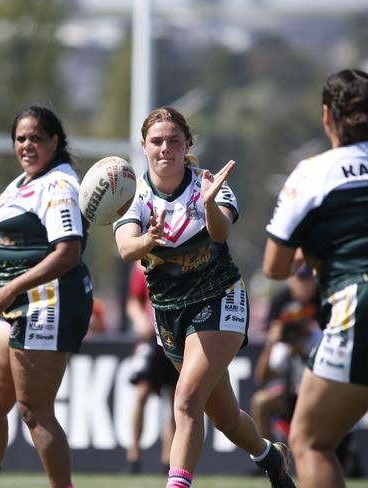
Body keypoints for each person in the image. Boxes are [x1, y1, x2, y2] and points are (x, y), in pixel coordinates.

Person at [113, 106, 296, 488]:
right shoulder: (134, 195)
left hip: (219, 298)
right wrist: (149, 238)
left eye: (174, 141)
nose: (166, 149)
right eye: (157, 141)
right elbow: (126, 248)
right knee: (224, 416)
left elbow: (221, 234)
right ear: (143, 147)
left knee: (185, 401)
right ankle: (270, 456)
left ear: (188, 144)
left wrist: (210, 203)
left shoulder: (208, 184)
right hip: (170, 314)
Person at [263, 68, 368, 488]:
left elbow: (274, 267)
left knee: (310, 442)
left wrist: (309, 246)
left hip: (360, 300)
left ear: (327, 118)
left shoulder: (314, 173)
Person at [0, 105, 93, 488]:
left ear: (54, 141)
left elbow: (68, 252)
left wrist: (11, 287)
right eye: (20, 138)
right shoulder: (20, 184)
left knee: (33, 411)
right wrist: (3, 285)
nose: (27, 144)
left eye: (36, 138)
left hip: (47, 304)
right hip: (13, 306)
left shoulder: (59, 185)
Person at [251, 265, 321, 442]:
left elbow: (321, 370)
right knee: (261, 401)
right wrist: (271, 344)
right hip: (291, 393)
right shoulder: (283, 344)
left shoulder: (317, 335)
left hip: (318, 393)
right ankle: (268, 459)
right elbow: (261, 377)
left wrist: (302, 347)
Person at [125, 261, 177, 474]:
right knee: (142, 393)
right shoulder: (143, 265)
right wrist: (140, 322)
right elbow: (133, 302)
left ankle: (169, 458)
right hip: (150, 340)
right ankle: (134, 454)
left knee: (176, 400)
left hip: (175, 337)